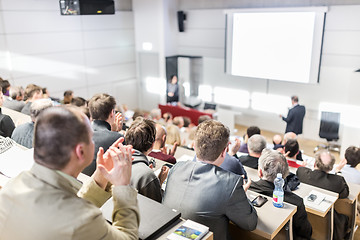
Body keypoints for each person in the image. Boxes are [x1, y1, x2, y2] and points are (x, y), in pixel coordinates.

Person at [0, 106, 139, 239]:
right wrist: (123, 186)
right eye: (91, 138)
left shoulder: (12, 185)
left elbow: (64, 212)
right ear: (81, 151)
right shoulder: (81, 221)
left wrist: (100, 177)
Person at [163, 120, 257, 239]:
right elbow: (250, 223)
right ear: (224, 151)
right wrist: (242, 195)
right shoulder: (231, 184)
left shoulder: (176, 168)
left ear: (195, 146)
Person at [250, 149, 312, 240]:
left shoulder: (246, 189)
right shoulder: (296, 202)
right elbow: (306, 232)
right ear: (285, 175)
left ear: (259, 172)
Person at [296, 150, 350, 239]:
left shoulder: (301, 172)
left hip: (301, 222)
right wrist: (338, 172)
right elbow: (345, 193)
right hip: (326, 226)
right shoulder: (337, 181)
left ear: (314, 163)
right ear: (331, 167)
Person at [125, 117, 169, 202]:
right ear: (152, 145)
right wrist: (158, 182)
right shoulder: (147, 176)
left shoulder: (114, 161)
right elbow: (157, 207)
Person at [82, 93, 123, 176]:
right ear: (112, 112)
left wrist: (113, 132)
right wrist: (116, 134)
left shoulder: (79, 133)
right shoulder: (117, 138)